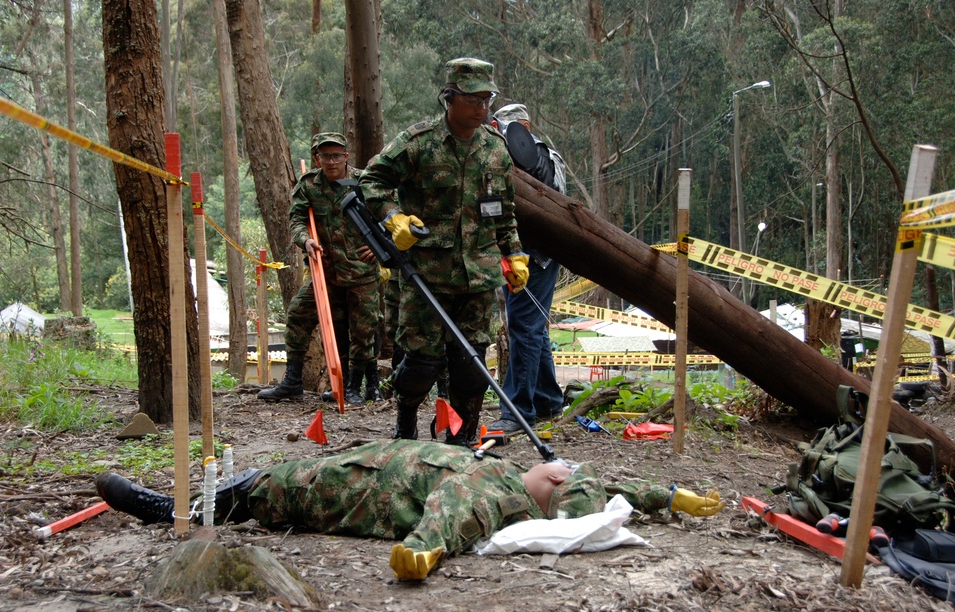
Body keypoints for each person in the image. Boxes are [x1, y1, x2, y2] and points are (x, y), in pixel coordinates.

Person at [95, 439, 727, 580]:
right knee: (261, 481)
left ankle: (163, 510)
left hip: (345, 487)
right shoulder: (509, 479)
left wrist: (423, 550)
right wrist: (669, 497)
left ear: (555, 478)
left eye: (562, 469)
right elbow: (614, 488)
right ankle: (185, 502)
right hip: (370, 461)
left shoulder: (494, 492)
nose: (559, 464)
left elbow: (450, 511)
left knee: (259, 488)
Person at [359, 58, 528, 444]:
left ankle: (463, 438)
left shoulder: (497, 150)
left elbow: (504, 211)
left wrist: (514, 254)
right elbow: (372, 181)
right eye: (473, 99)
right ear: (449, 98)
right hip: (427, 275)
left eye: (487, 98)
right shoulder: (418, 144)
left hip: (479, 276)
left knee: (471, 366)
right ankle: (406, 426)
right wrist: (393, 217)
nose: (482, 107)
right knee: (422, 362)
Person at [259, 132, 381, 404]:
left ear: (346, 156)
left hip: (361, 272)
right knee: (298, 314)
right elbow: (297, 220)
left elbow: (389, 215)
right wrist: (306, 240)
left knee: (363, 331)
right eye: (325, 156)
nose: (331, 161)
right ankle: (293, 381)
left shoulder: (364, 182)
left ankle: (353, 387)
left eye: (337, 155)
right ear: (317, 158)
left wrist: (379, 246)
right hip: (325, 272)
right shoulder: (309, 185)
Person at [488, 103, 568, 435]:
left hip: (533, 256)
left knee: (525, 328)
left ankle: (518, 411)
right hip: (532, 253)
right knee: (533, 326)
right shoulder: (546, 155)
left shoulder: (530, 153)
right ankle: (547, 399)